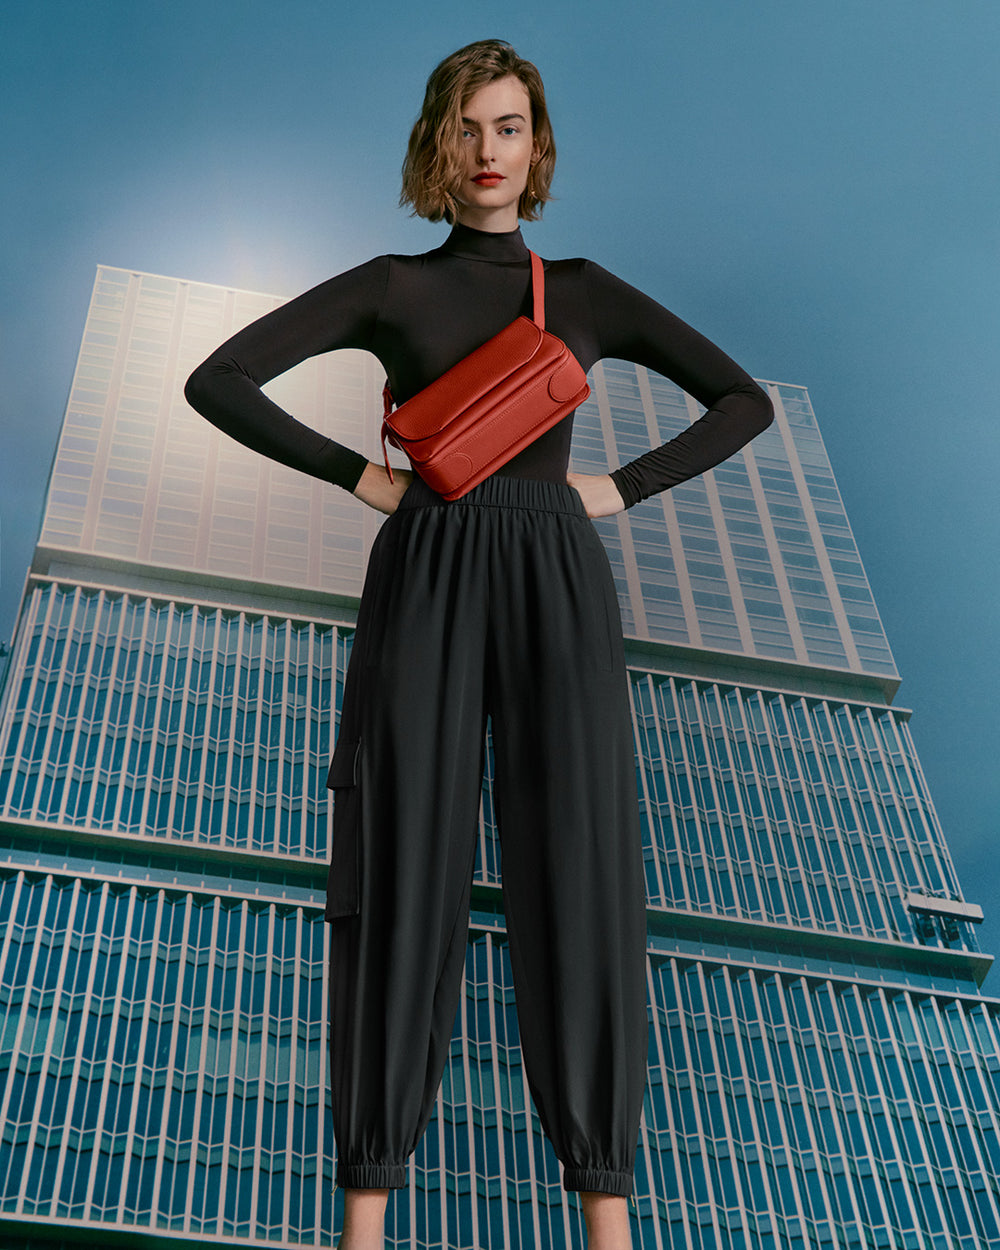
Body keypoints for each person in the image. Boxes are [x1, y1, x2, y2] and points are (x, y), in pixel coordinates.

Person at [185, 38, 773, 1250]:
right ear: (435, 148)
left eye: (508, 128)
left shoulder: (589, 290)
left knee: (583, 860)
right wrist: (359, 474)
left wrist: (619, 489)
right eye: (466, 129)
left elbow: (742, 398)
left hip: (555, 571)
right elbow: (220, 378)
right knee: (402, 860)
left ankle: (605, 1216)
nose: (488, 152)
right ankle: (365, 1219)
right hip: (430, 567)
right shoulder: (392, 286)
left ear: (537, 146)